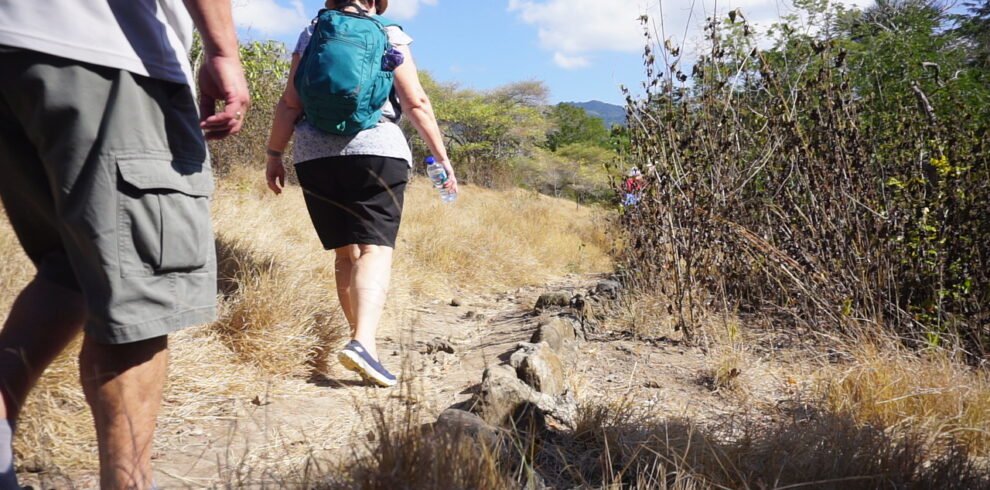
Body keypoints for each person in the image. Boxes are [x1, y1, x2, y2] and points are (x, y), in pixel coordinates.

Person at [0, 1, 249, 488]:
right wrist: (222, 49)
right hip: (105, 51)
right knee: (138, 300)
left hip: (13, 50)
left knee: (69, 268)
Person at [265, 0, 456, 388]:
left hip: (314, 157)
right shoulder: (389, 32)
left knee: (345, 252)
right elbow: (416, 101)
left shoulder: (313, 32)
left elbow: (290, 102)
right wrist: (442, 157)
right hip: (377, 151)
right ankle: (363, 342)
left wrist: (273, 154)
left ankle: (360, 343)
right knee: (375, 247)